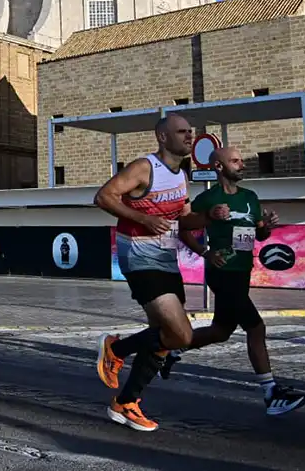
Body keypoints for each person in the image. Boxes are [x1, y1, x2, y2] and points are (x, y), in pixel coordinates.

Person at [170, 146, 305, 415]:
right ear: (219, 167)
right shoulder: (208, 198)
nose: (242, 165)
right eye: (235, 161)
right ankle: (271, 394)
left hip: (242, 272)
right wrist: (206, 253)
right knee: (256, 328)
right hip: (222, 274)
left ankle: (170, 350)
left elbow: (260, 235)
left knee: (220, 332)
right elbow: (183, 229)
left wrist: (267, 226)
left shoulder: (250, 197)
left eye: (241, 160)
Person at [93, 115, 207, 432]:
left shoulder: (182, 175)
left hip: (167, 256)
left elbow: (184, 220)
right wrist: (142, 219)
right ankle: (115, 350)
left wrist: (212, 216)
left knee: (164, 337)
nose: (189, 136)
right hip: (139, 255)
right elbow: (103, 196)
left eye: (190, 131)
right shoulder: (144, 168)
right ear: (161, 136)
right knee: (181, 333)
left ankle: (125, 403)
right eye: (182, 132)